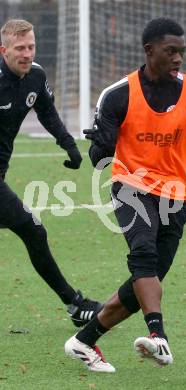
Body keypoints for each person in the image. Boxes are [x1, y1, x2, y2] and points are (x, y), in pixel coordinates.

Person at [64, 17, 186, 373]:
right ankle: (158, 336)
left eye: (181, 52)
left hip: (175, 195)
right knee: (143, 253)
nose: (178, 58)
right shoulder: (117, 95)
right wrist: (102, 142)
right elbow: (99, 159)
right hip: (131, 187)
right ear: (150, 51)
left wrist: (185, 192)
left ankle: (83, 341)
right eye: (170, 51)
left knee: (146, 280)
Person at [0, 19, 102, 327]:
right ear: (4, 50)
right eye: (19, 48)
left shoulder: (36, 76)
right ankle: (75, 304)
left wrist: (69, 145)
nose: (26, 53)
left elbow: (46, 110)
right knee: (33, 230)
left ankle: (74, 305)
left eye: (30, 46)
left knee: (33, 232)